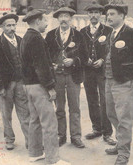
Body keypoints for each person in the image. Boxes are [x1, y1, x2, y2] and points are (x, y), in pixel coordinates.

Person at [20, 7, 70, 165]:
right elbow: (40, 66)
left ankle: (34, 154)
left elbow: (31, 64)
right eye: (45, 20)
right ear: (37, 21)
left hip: (29, 85)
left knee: (34, 121)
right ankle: (53, 159)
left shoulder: (26, 37)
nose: (47, 23)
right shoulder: (37, 39)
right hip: (39, 86)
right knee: (50, 123)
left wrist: (49, 66)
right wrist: (50, 86)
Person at [104, 1, 133, 165]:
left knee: (124, 118)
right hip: (109, 80)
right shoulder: (111, 33)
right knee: (111, 113)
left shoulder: (131, 33)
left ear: (122, 16)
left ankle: (123, 153)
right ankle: (120, 143)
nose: (109, 17)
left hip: (125, 82)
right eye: (108, 14)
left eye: (112, 14)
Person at [45, 6, 88, 148]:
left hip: (73, 76)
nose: (64, 19)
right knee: (59, 108)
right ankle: (60, 135)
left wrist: (74, 61)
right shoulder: (51, 35)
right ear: (57, 19)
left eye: (66, 16)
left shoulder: (79, 35)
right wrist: (51, 64)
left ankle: (76, 137)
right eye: (61, 16)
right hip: (57, 76)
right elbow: (46, 56)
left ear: (71, 19)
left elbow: (85, 56)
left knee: (74, 107)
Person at [0, 12, 30, 150]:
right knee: (6, 114)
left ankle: (31, 141)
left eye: (14, 25)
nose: (12, 28)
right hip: (6, 85)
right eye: (8, 26)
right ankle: (9, 139)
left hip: (21, 83)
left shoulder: (21, 40)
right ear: (2, 27)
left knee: (25, 113)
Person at [80, 1, 116, 145]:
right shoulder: (82, 31)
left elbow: (111, 50)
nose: (94, 15)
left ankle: (107, 133)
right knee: (91, 99)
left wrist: (102, 59)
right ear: (88, 15)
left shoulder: (108, 31)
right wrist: (85, 59)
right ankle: (97, 128)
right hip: (88, 71)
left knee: (105, 100)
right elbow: (79, 50)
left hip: (103, 71)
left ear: (101, 15)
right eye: (91, 13)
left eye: (96, 13)